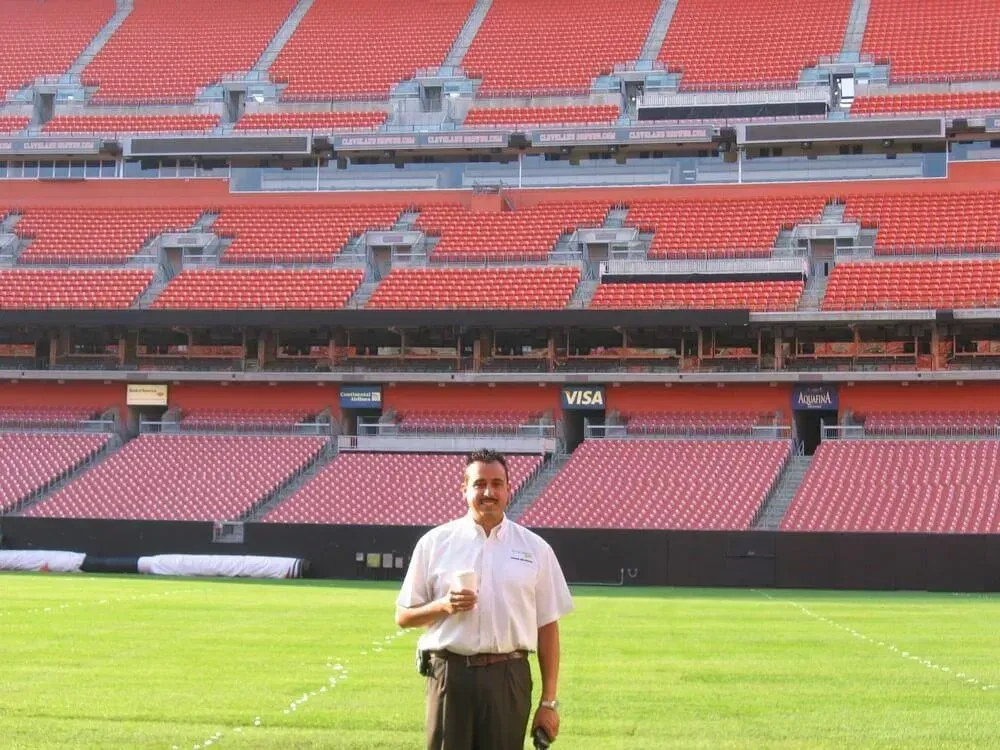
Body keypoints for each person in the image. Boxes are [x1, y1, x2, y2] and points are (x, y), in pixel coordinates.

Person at [396, 448, 574, 750]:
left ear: (508, 489)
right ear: (464, 489)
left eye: (496, 483)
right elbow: (403, 616)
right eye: (479, 484)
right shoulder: (435, 543)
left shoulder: (536, 549)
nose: (488, 492)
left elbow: (547, 627)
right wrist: (444, 606)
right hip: (450, 676)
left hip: (509, 677)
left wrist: (549, 702)